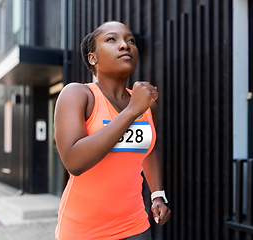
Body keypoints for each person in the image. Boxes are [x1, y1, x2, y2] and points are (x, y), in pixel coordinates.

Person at [54, 21, 171, 240]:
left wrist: (157, 195)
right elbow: (74, 162)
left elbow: (149, 149)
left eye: (130, 40)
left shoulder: (146, 104)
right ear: (93, 58)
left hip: (135, 226)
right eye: (111, 39)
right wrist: (131, 111)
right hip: (83, 231)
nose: (125, 45)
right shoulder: (78, 95)